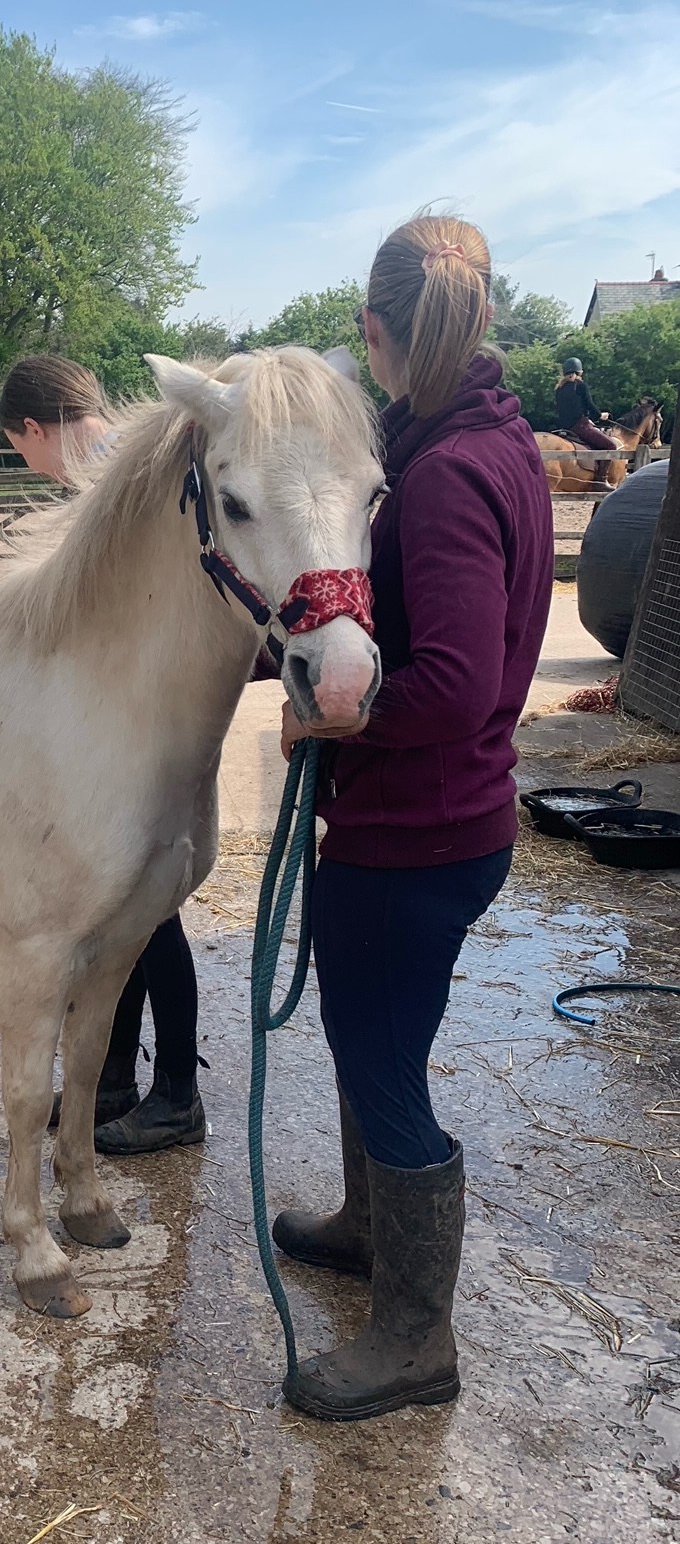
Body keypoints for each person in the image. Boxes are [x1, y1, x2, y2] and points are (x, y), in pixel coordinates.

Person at [269, 215, 553, 1421]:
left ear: (376, 331)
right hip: (444, 819)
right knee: (366, 1039)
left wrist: (329, 724)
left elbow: (454, 683)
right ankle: (363, 1225)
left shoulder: (442, 478)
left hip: (417, 831)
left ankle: (415, 1338)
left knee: (383, 1064)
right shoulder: (487, 439)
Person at [0, 355, 207, 1153]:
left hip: (136, 725)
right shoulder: (133, 458)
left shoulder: (123, 474)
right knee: (121, 922)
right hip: (119, 720)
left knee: (153, 919)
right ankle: (115, 1076)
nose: (32, 466)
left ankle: (177, 1090)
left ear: (37, 428)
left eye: (22, 449)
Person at [553, 356, 615, 452]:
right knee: (611, 446)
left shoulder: (559, 389)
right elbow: (589, 404)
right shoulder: (580, 385)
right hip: (580, 427)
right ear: (578, 372)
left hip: (564, 428)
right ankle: (602, 468)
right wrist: (600, 415)